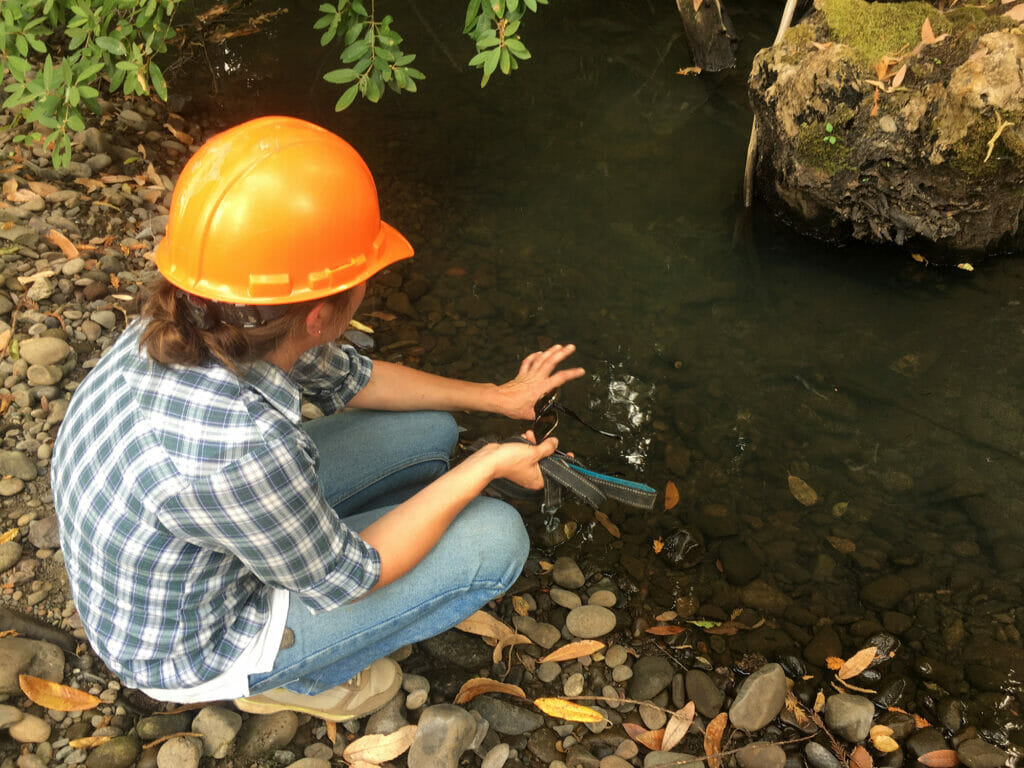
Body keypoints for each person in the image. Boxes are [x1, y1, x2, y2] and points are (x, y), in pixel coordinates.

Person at [50, 115, 583, 721]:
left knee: (432, 430)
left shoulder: (208, 312)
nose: (367, 285)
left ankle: (325, 552)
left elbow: (356, 379)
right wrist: (487, 465)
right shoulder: (244, 447)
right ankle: (291, 677)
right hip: (193, 644)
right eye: (361, 278)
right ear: (317, 320)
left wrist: (497, 396)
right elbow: (353, 578)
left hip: (182, 552)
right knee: (494, 536)